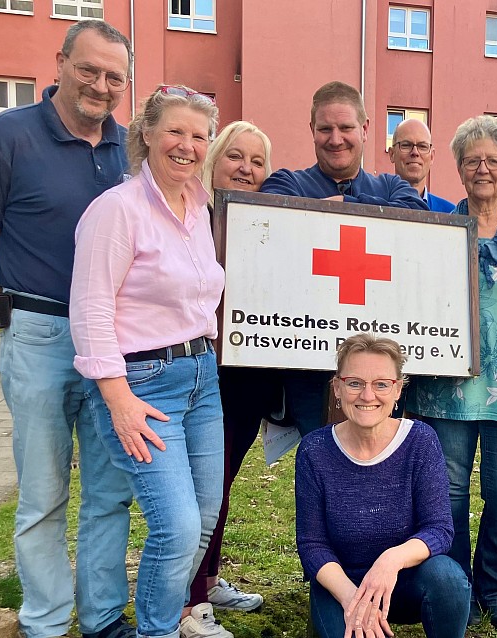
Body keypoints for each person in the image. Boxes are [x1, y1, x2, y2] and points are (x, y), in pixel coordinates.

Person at [0, 20, 136, 638]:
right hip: (40, 330)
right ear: (60, 62)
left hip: (114, 342)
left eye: (115, 76)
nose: (101, 85)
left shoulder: (128, 148)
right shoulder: (5, 137)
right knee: (43, 491)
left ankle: (102, 616)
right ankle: (44, 621)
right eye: (88, 69)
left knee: (111, 490)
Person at [70, 85, 227, 638]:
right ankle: (157, 631)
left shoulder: (199, 206)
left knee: (204, 520)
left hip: (202, 380)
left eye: (199, 136)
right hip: (141, 383)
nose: (187, 146)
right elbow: (89, 310)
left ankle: (160, 624)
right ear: (147, 137)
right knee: (178, 527)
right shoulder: (116, 210)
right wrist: (117, 399)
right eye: (175, 133)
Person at [409, 115, 497, 633]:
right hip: (446, 390)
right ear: (459, 169)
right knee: (448, 496)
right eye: (472, 161)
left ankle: (494, 588)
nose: (483, 169)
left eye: (494, 160)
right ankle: (459, 589)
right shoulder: (440, 229)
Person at [260, 81, 428, 438]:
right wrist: (357, 213)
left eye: (346, 127)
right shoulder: (287, 184)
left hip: (377, 369)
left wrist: (332, 212)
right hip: (307, 365)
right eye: (325, 129)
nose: (336, 139)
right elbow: (273, 220)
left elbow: (415, 221)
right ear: (312, 131)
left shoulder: (394, 188)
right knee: (319, 464)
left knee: (379, 464)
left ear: (365, 129)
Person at [295, 333, 470, 638]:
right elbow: (312, 545)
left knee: (448, 579)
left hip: (405, 580)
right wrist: (354, 600)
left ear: (398, 389)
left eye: (381, 384)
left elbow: (439, 529)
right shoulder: (314, 450)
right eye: (354, 383)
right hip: (342, 586)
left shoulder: (420, 441)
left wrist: (390, 561)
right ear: (337, 387)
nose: (367, 395)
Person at [182, 121, 277, 621]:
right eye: (235, 157)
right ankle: (189, 600)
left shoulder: (269, 220)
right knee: (202, 491)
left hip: (248, 376)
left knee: (221, 486)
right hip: (201, 371)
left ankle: (209, 580)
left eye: (257, 161)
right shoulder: (192, 215)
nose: (246, 168)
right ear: (212, 161)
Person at [388, 118, 455, 212]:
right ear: (392, 154)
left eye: (422, 146)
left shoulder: (451, 214)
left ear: (432, 157)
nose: (415, 152)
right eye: (406, 145)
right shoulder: (371, 208)